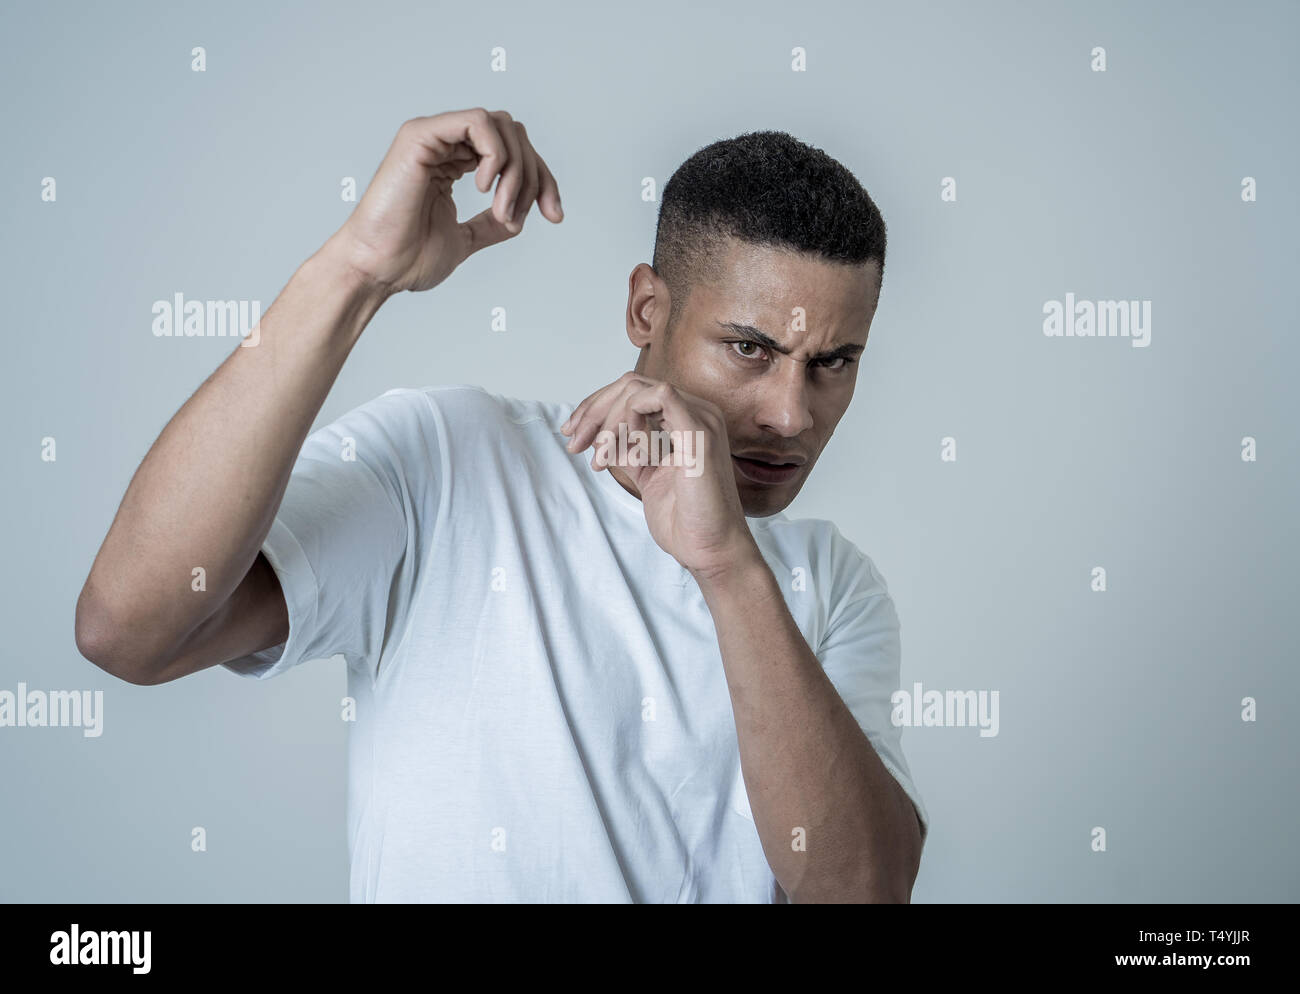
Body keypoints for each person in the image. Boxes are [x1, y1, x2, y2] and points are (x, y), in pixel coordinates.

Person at [75, 107, 928, 903]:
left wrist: (728, 565)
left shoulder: (831, 585)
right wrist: (355, 272)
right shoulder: (453, 462)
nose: (791, 414)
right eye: (751, 348)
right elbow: (131, 631)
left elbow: (861, 890)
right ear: (646, 309)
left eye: (834, 362)